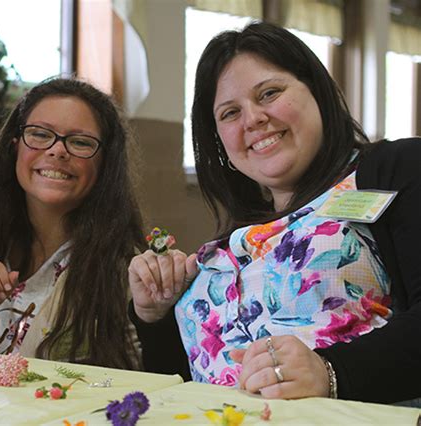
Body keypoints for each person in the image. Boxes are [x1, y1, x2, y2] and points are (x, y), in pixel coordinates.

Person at [128, 21, 421, 404]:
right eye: (230, 113)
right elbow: (180, 380)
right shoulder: (235, 243)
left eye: (269, 93)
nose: (253, 119)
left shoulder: (394, 169)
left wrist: (331, 372)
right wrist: (154, 315)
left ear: (317, 91)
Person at [0, 77, 146, 369]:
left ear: (105, 164)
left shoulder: (127, 272)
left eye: (80, 142)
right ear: (15, 148)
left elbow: (140, 383)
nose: (57, 150)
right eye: (40, 134)